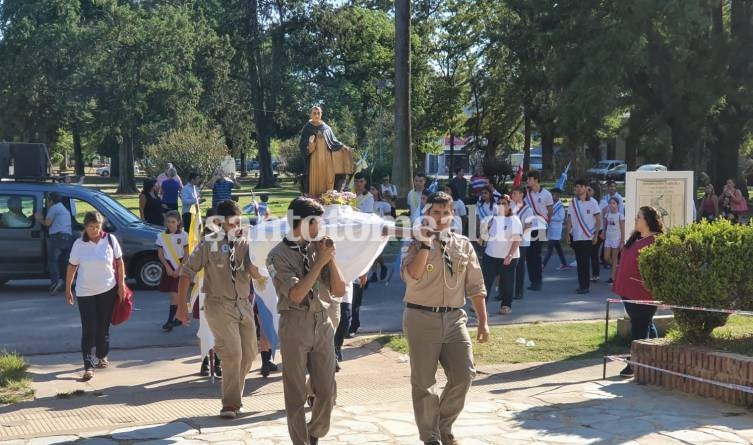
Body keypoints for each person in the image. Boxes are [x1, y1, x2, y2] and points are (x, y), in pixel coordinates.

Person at [401, 191, 489, 445]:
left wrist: (483, 321)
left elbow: (476, 286)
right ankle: (431, 437)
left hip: (454, 319)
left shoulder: (463, 245)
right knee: (424, 382)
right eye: (435, 213)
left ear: (452, 215)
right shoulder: (414, 243)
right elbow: (411, 277)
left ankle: (442, 425)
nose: (440, 219)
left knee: (464, 374)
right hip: (421, 317)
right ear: (426, 215)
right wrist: (426, 244)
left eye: (445, 213)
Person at [266, 197, 347, 445]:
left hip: (322, 322)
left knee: (326, 389)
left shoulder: (317, 248)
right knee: (296, 392)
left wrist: (329, 258)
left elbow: (340, 290)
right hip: (295, 323)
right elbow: (297, 294)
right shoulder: (277, 255)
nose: (319, 229)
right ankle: (302, 441)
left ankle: (315, 431)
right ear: (301, 223)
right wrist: (320, 263)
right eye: (315, 223)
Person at [176, 200, 264, 419]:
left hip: (243, 303)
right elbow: (187, 273)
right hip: (218, 304)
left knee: (249, 353)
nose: (237, 225)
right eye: (232, 221)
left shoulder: (247, 242)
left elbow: (255, 273)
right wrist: (182, 306)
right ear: (221, 222)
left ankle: (235, 399)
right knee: (232, 353)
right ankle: (230, 404)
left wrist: (257, 268)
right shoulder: (208, 243)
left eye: (239, 220)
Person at [65, 211, 126, 381]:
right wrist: (68, 288)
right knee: (89, 329)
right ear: (85, 227)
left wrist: (120, 285)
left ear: (101, 226)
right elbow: (72, 266)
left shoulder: (110, 240)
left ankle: (102, 354)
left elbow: (119, 263)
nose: (94, 230)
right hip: (85, 291)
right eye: (91, 227)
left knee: (103, 326)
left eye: (97, 226)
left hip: (108, 289)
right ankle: (88, 365)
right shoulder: (79, 244)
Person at [612, 206, 665, 377]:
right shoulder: (637, 237)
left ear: (648, 221)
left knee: (639, 327)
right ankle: (655, 359)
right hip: (627, 290)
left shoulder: (656, 241)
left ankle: (634, 363)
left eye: (639, 217)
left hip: (641, 293)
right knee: (646, 325)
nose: (635, 219)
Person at [299, 106, 353, 196]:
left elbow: (334, 141)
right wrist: (310, 143)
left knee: (329, 178)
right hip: (314, 159)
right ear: (310, 115)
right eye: (314, 113)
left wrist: (344, 147)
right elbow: (302, 145)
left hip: (328, 158)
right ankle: (315, 197)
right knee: (315, 178)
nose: (316, 115)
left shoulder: (326, 128)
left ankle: (328, 197)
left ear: (321, 114)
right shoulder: (307, 128)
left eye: (318, 113)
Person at [482, 194, 522, 314]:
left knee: (507, 282)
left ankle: (506, 305)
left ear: (509, 206)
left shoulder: (514, 220)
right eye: (498, 203)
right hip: (491, 255)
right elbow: (486, 236)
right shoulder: (493, 218)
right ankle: (482, 306)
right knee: (486, 282)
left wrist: (510, 255)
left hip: (508, 257)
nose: (500, 205)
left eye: (503, 203)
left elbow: (517, 240)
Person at [566, 179, 602, 294]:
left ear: (585, 188)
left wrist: (596, 235)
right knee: (580, 262)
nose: (577, 189)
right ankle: (581, 284)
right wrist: (567, 234)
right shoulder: (573, 203)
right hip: (576, 237)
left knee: (585, 262)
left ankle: (585, 286)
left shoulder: (593, 202)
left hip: (588, 237)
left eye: (579, 187)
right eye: (576, 187)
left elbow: (598, 219)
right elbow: (569, 219)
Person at [36, 193, 73, 295]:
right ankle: (66, 283)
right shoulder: (63, 208)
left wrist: (38, 218)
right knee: (64, 262)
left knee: (53, 261)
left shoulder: (54, 208)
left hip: (58, 237)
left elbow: (47, 223)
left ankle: (55, 283)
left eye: (48, 200)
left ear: (51, 200)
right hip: (67, 237)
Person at [157, 211, 189, 332]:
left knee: (174, 294)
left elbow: (186, 254)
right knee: (173, 295)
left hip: (180, 266)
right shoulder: (161, 236)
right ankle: (179, 316)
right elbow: (160, 254)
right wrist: (167, 267)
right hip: (168, 266)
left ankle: (171, 320)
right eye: (168, 222)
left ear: (178, 222)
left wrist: (179, 268)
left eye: (173, 222)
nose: (170, 224)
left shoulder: (184, 235)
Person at [524, 171, 553, 291]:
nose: (528, 181)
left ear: (536, 180)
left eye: (529, 179)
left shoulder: (546, 194)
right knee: (529, 254)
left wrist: (547, 222)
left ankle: (538, 280)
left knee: (537, 254)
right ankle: (532, 280)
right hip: (529, 226)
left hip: (541, 226)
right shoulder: (526, 194)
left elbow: (550, 210)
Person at [511, 186, 533, 301]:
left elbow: (528, 225)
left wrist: (519, 237)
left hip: (522, 242)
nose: (512, 195)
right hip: (510, 241)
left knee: (519, 267)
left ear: (521, 194)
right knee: (507, 267)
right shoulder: (511, 206)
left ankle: (519, 292)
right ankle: (503, 291)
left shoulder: (528, 209)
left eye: (515, 193)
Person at [543, 188, 569, 270]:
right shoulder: (551, 205)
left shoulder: (560, 206)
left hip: (556, 229)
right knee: (558, 248)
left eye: (553, 195)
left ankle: (542, 265)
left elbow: (561, 218)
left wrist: (550, 217)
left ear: (557, 196)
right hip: (551, 228)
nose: (551, 197)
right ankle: (564, 263)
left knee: (550, 248)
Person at [603, 197, 625, 284]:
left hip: (616, 239)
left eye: (613, 203)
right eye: (610, 203)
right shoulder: (607, 215)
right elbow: (605, 226)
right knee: (606, 258)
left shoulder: (620, 216)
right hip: (608, 239)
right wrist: (603, 233)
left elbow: (623, 230)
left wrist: (622, 241)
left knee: (614, 258)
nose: (611, 205)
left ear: (617, 205)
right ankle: (617, 268)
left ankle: (612, 277)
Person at [588, 182, 604, 280]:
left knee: (594, 252)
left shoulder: (603, 203)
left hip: (599, 231)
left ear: (595, 191)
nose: (588, 192)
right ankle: (594, 274)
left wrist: (603, 231)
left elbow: (605, 219)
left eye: (590, 190)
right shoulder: (588, 201)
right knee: (591, 253)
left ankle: (595, 275)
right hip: (589, 230)